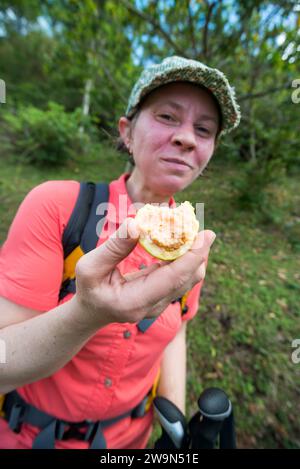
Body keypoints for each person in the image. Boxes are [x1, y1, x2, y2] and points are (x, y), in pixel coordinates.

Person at [0, 56, 241, 449]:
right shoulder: (57, 207)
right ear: (126, 132)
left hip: (132, 443)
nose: (187, 138)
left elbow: (174, 329)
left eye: (204, 129)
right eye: (167, 116)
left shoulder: (191, 243)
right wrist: (85, 315)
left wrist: (177, 429)